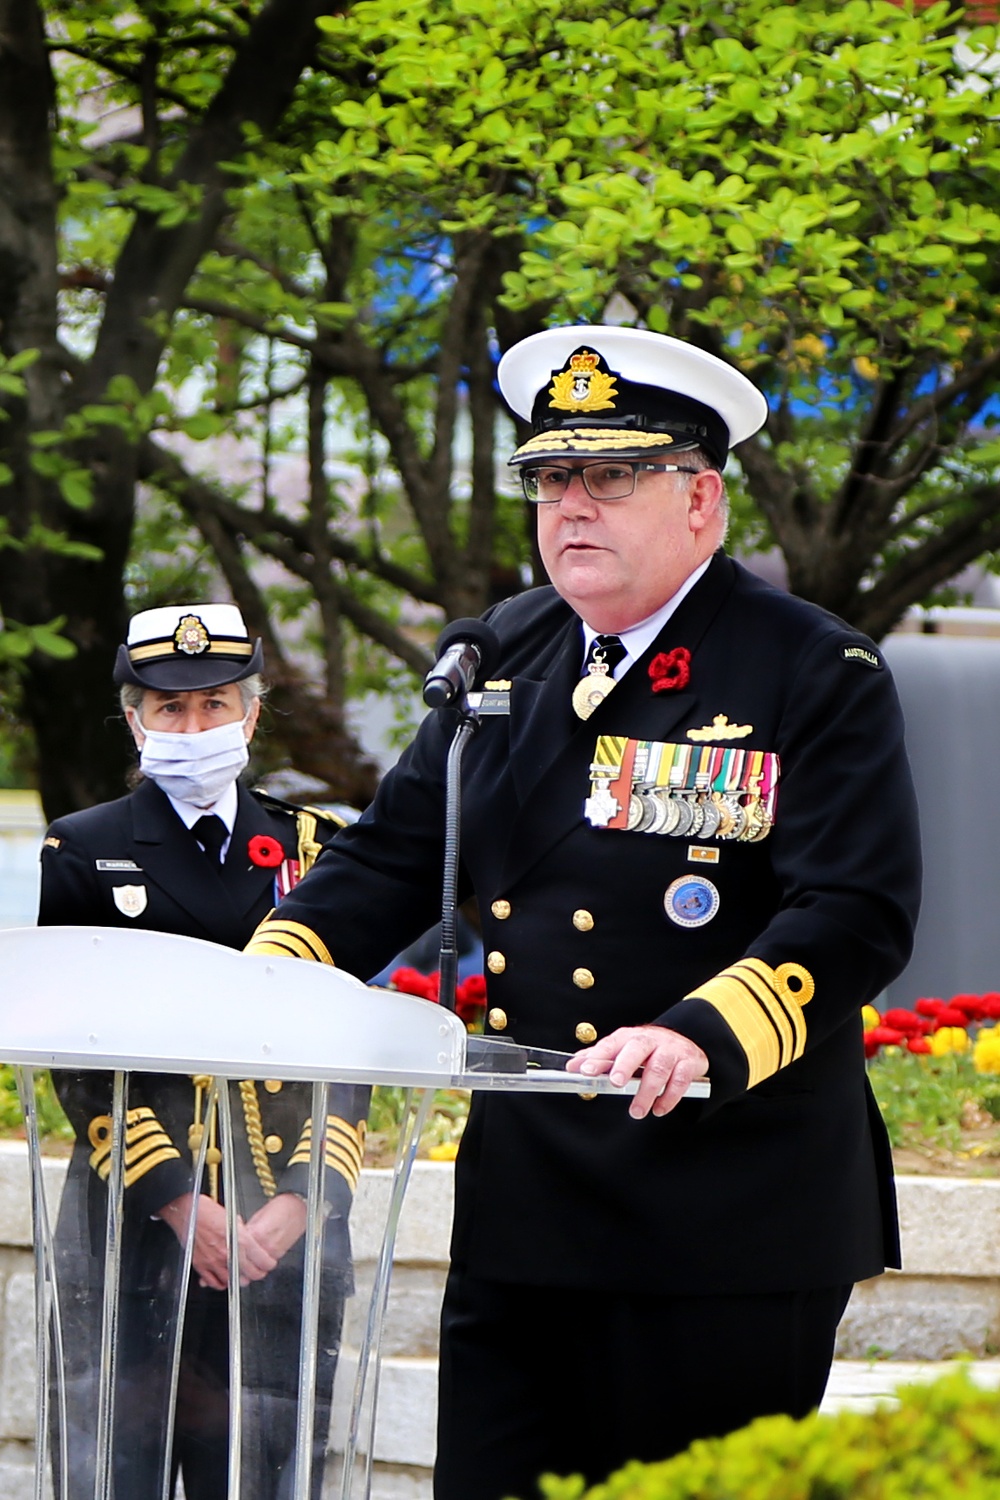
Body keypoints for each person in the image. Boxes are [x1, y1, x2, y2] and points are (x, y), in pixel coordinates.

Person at [245, 327, 922, 1499]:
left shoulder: (810, 669)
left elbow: (855, 907)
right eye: (552, 479)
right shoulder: (504, 651)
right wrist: (260, 979)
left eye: (611, 476)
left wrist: (697, 1034)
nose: (572, 507)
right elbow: (395, 856)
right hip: (533, 1201)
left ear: (701, 501)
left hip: (724, 1202)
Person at [37, 602, 368, 1500]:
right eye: (170, 709)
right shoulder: (86, 847)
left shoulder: (317, 850)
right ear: (134, 719)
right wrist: (182, 1204)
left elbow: (349, 1042)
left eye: (217, 703)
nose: (195, 726)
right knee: (116, 1467)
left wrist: (303, 1200)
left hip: (282, 1228)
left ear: (253, 715)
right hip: (136, 1218)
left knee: (266, 1469)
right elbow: (80, 1052)